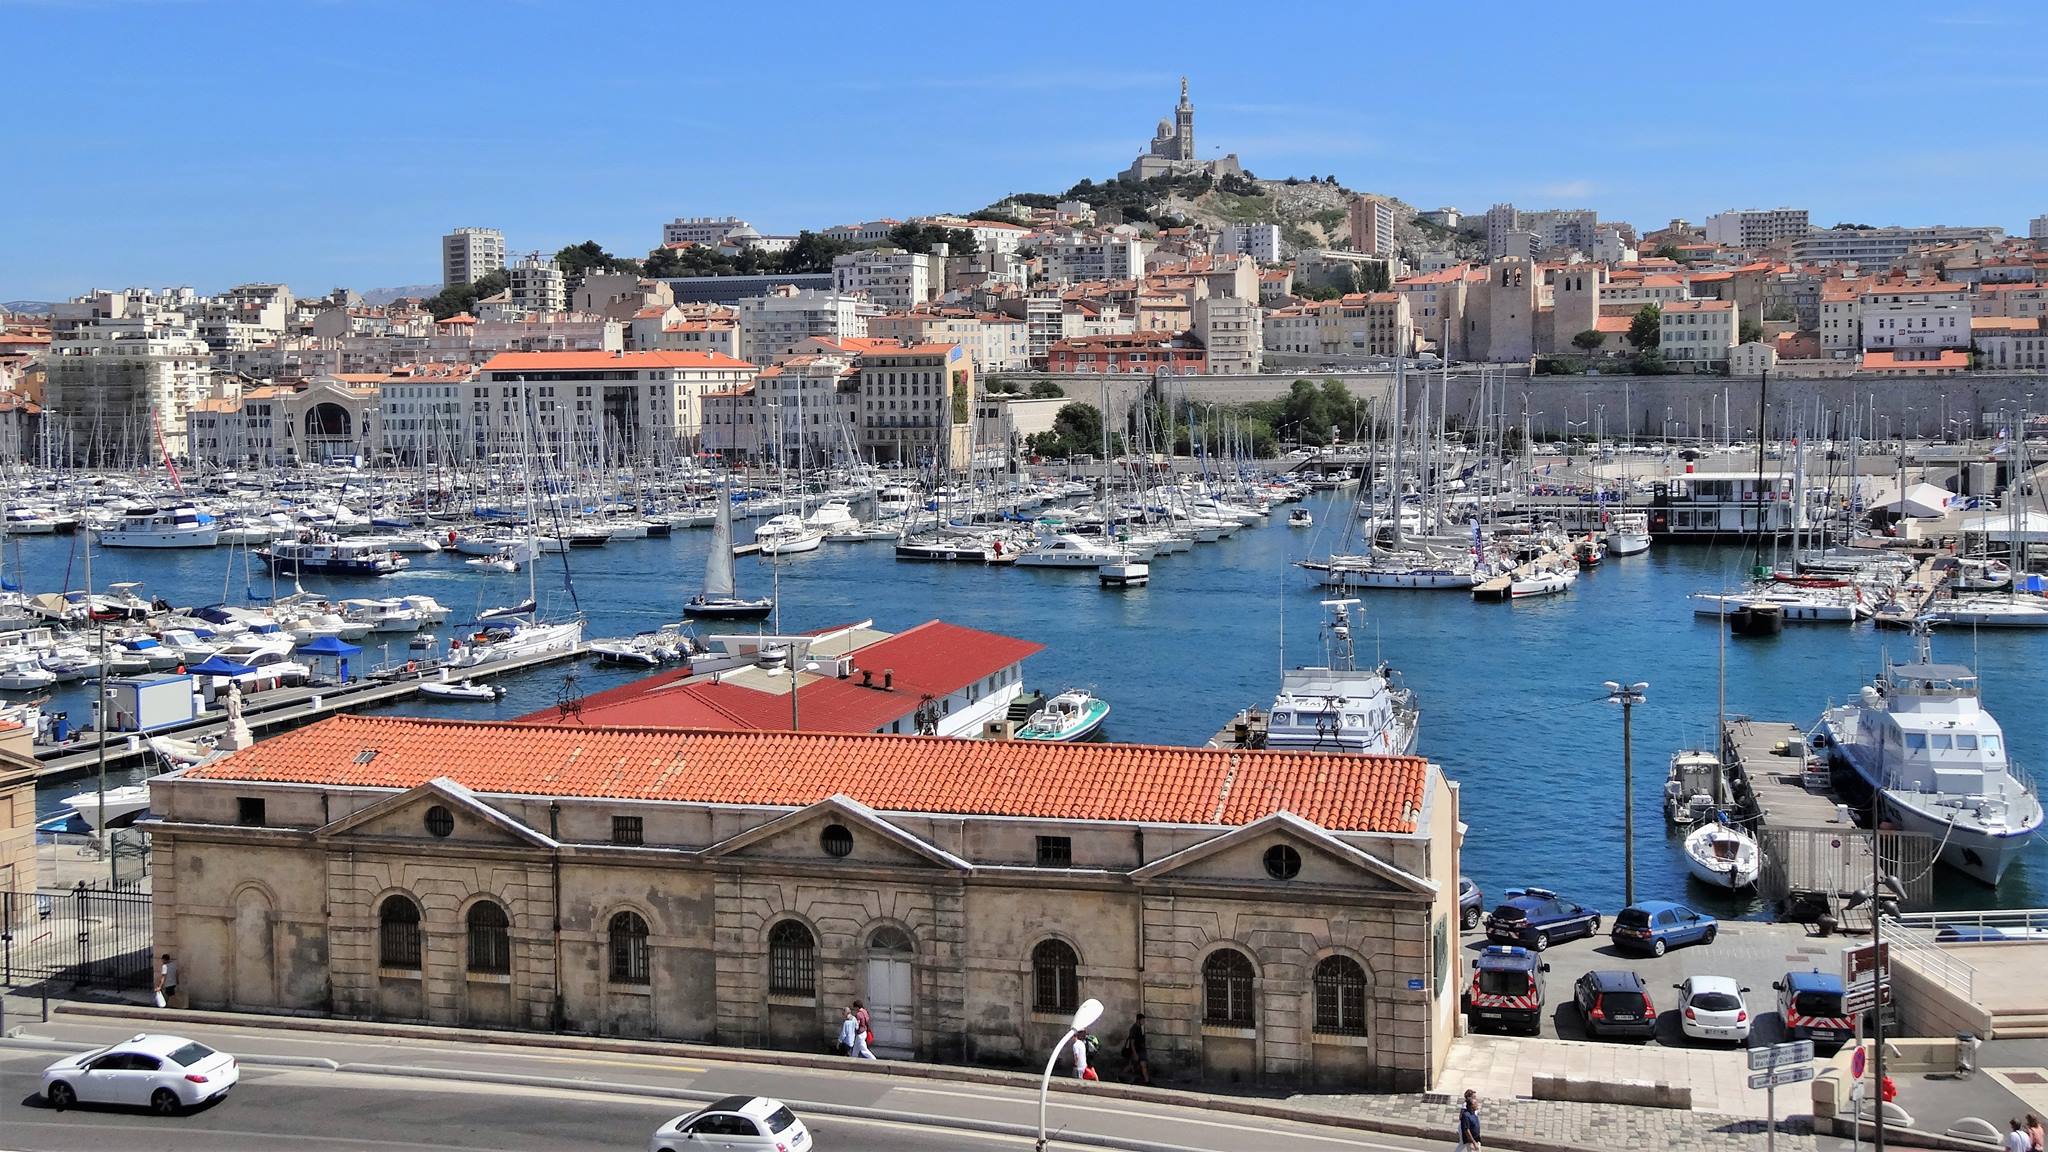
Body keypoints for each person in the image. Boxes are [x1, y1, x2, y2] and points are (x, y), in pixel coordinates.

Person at [1120, 1014, 1151, 1085]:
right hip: (1136, 1051)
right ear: (1138, 1020)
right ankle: (1120, 1076)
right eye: (1142, 1020)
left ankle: (1147, 1081)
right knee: (1132, 1065)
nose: (1144, 1022)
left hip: (1140, 1050)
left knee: (1141, 1065)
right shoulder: (1134, 1029)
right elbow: (1132, 1043)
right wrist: (1135, 1053)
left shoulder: (1139, 1027)